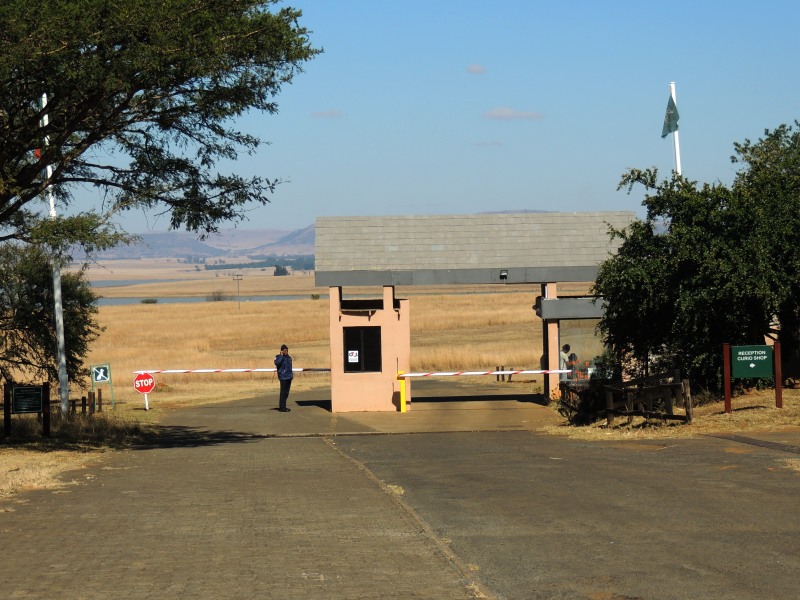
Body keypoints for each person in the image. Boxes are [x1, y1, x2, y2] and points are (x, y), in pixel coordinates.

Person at [274, 344, 293, 412]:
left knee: (286, 393)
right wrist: (281, 356)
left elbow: (290, 367)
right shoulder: (278, 357)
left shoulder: (289, 358)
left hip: (289, 377)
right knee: (283, 392)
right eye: (285, 350)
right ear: (281, 351)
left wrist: (291, 375)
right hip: (283, 377)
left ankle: (284, 406)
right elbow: (277, 363)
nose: (286, 351)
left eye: (287, 350)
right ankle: (282, 407)